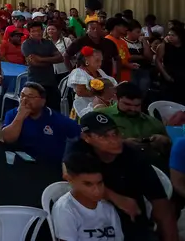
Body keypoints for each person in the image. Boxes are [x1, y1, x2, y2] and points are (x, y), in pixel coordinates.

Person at [66, 111, 178, 241]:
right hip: (91, 228)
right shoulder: (78, 149)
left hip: (132, 223)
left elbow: (161, 205)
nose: (114, 140)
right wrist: (117, 198)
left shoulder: (134, 156)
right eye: (104, 136)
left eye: (115, 133)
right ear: (87, 137)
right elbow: (70, 177)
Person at [54, 150, 124, 241]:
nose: (97, 191)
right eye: (88, 184)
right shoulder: (65, 209)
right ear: (71, 180)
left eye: (99, 183)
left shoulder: (108, 208)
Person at [2, 82, 80, 163]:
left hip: (50, 165)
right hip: (22, 163)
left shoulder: (58, 119)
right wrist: (20, 116)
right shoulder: (12, 114)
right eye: (22, 95)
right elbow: (8, 139)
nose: (24, 100)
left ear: (43, 101)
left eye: (30, 96)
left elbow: (79, 136)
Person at [96, 82, 169, 152]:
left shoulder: (153, 123)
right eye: (127, 104)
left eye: (137, 105)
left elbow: (170, 147)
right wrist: (122, 143)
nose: (133, 109)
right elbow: (92, 143)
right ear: (117, 99)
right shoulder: (101, 115)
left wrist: (165, 141)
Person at [22, 20, 64, 112]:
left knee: (54, 109)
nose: (37, 33)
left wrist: (41, 59)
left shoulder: (48, 43)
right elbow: (34, 63)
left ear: (42, 30)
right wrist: (51, 60)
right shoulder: (27, 44)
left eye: (39, 30)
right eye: (33, 31)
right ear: (29, 32)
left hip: (51, 81)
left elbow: (60, 58)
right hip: (35, 82)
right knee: (37, 110)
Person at [67, 47, 116, 118]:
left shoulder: (100, 71)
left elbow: (109, 82)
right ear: (86, 60)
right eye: (97, 60)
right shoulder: (78, 72)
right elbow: (80, 92)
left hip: (99, 106)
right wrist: (100, 93)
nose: (100, 63)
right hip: (84, 107)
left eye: (101, 60)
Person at [156, 25, 185, 105]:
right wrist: (166, 75)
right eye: (169, 35)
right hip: (168, 76)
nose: (170, 37)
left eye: (173, 35)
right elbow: (158, 61)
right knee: (168, 101)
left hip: (182, 77)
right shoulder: (164, 46)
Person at [124, 20, 152, 92]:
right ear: (129, 32)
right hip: (130, 71)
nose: (140, 34)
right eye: (137, 32)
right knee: (133, 90)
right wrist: (142, 57)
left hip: (143, 70)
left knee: (143, 88)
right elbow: (127, 57)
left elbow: (149, 57)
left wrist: (144, 41)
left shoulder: (141, 42)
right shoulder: (123, 42)